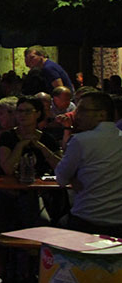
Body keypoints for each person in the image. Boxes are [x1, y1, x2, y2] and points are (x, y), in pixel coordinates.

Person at [0, 95, 62, 276]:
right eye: (19, 111)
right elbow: (8, 168)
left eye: (27, 111)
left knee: (42, 222)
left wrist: (41, 148)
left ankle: (31, 269)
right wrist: (21, 145)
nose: (22, 115)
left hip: (33, 192)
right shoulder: (8, 136)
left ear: (38, 114)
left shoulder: (47, 139)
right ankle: (1, 267)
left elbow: (60, 167)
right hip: (3, 190)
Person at [55, 91, 122, 237]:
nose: (77, 115)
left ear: (102, 114)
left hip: (87, 218)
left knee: (55, 224)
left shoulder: (81, 140)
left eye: (82, 110)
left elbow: (61, 178)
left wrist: (72, 177)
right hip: (118, 222)